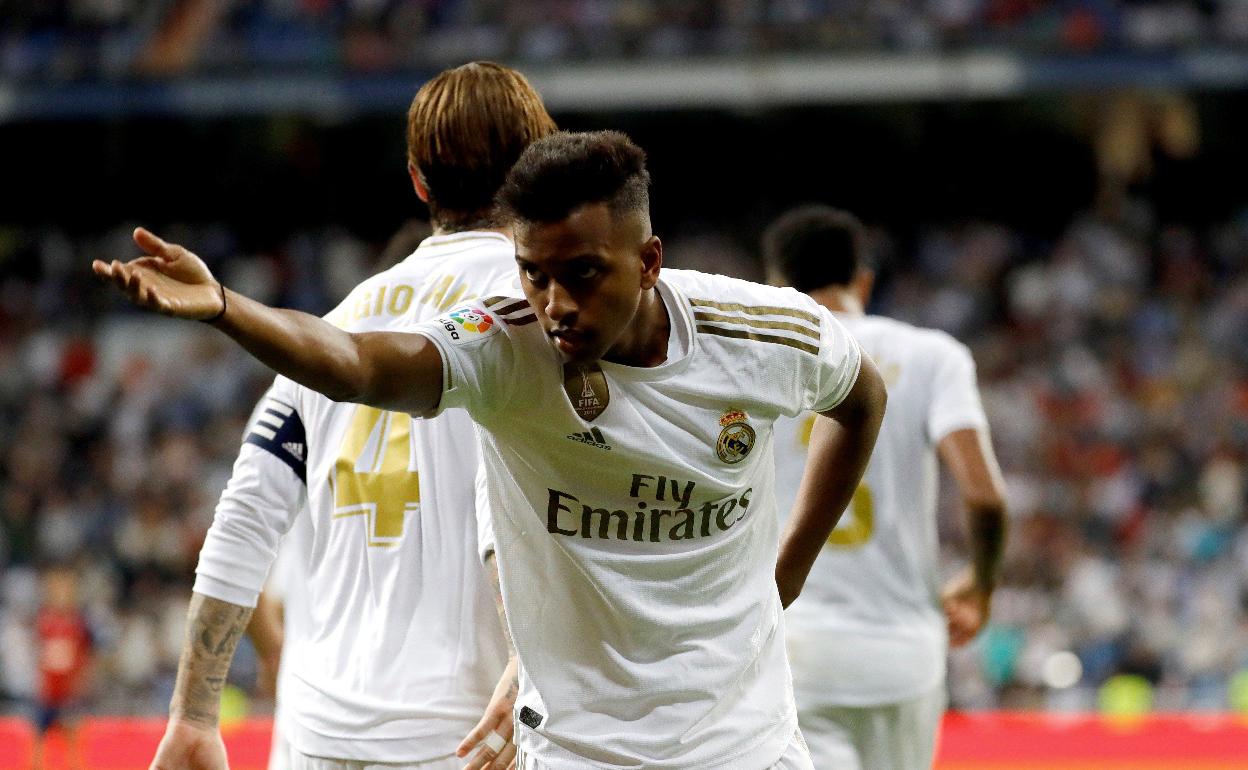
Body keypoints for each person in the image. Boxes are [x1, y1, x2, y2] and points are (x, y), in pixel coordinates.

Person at [94, 130, 887, 769]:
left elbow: (863, 398)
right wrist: (228, 308)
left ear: (649, 262)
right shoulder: (504, 341)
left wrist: (789, 570)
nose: (556, 305)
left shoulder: (762, 332)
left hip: (745, 744)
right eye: (534, 274)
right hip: (578, 752)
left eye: (582, 275)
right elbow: (359, 364)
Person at [142, 61, 557, 770]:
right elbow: (511, 493)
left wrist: (193, 713)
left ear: (419, 181)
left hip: (320, 736)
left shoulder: (333, 327)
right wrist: (537, 664)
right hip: (470, 732)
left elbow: (244, 514)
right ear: (537, 167)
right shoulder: (539, 313)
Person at [763, 206, 1009, 770]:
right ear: (864, 280)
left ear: (774, 286)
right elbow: (985, 496)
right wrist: (982, 584)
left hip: (791, 644)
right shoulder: (932, 356)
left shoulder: (759, 358)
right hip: (903, 653)